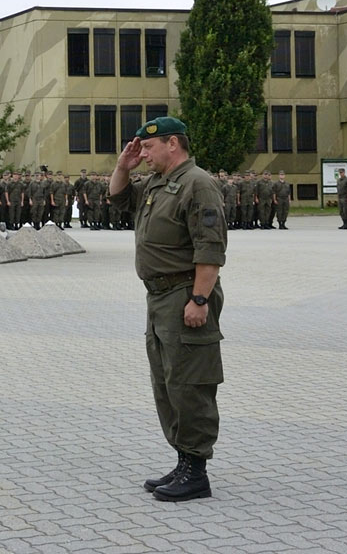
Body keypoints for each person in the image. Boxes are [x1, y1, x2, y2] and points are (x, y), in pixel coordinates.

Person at [109, 116, 226, 503]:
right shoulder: (160, 183)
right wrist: (122, 167)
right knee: (167, 383)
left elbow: (210, 249)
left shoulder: (199, 184)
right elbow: (118, 199)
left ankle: (196, 471)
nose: (142, 153)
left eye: (148, 147)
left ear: (172, 143)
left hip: (184, 295)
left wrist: (199, 300)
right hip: (159, 298)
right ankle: (182, 460)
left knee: (190, 383)